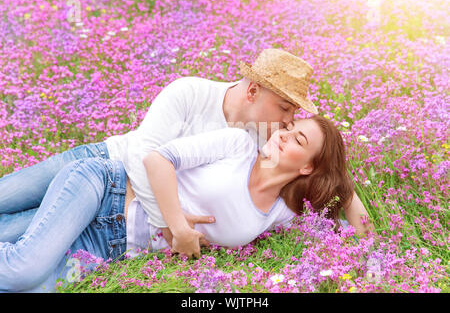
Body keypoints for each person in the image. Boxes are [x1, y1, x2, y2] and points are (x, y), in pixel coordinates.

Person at [0, 48, 371, 253]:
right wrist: (171, 222)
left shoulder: (264, 139)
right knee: (7, 199)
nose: (288, 121)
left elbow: (325, 176)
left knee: (21, 236)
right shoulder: (191, 92)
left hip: (118, 208)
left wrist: (345, 189)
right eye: (285, 108)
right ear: (254, 92)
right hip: (101, 165)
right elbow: (144, 153)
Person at [0, 115, 361, 292]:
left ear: (308, 166)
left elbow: (361, 231)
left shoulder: (283, 213)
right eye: (289, 126)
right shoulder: (238, 145)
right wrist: (179, 227)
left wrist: (342, 179)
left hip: (107, 246)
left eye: (298, 139)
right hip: (102, 190)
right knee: (21, 272)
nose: (282, 134)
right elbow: (158, 159)